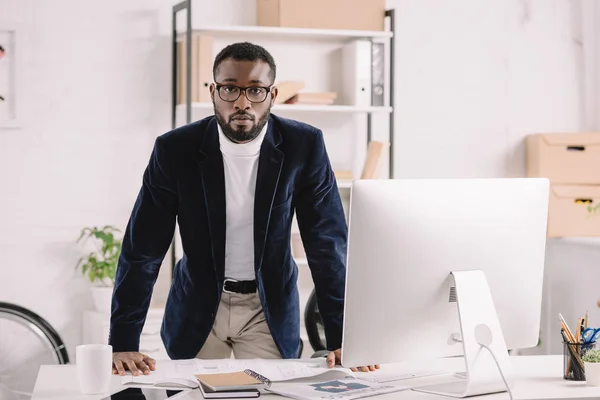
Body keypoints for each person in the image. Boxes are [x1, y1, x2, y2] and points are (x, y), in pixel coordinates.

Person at [108, 42, 378, 376]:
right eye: (230, 89)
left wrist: (343, 338)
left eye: (255, 90)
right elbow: (142, 249)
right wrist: (122, 340)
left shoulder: (303, 146)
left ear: (273, 94)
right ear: (213, 91)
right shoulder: (175, 149)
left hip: (267, 309)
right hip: (198, 307)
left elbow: (328, 245)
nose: (242, 102)